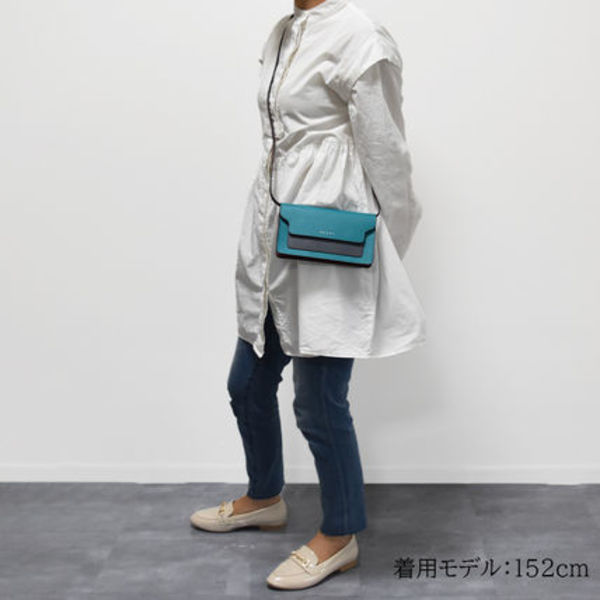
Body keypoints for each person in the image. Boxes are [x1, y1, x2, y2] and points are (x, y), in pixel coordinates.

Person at [190, 0, 426, 591]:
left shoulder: (360, 36)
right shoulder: (284, 32)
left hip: (328, 240)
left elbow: (388, 154)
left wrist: (380, 248)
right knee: (246, 383)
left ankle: (340, 534)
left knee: (319, 402)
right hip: (274, 232)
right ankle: (265, 497)